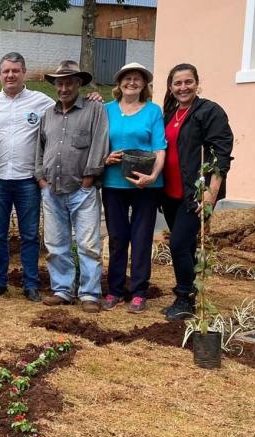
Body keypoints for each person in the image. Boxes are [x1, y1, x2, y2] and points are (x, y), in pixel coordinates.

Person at [0, 52, 55, 303]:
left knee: (29, 235)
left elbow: (67, 113)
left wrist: (94, 100)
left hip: (27, 179)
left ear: (24, 73)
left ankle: (31, 284)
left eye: (15, 71)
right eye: (6, 71)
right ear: (0, 74)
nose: (10, 75)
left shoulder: (42, 102)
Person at [161, 64, 233, 321]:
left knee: (179, 244)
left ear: (196, 83)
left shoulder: (209, 111)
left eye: (188, 82)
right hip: (169, 192)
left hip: (196, 193)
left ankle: (184, 299)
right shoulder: (169, 113)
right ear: (170, 87)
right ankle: (190, 290)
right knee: (186, 245)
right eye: (177, 83)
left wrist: (210, 195)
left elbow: (220, 155)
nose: (183, 87)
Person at [36, 61, 109, 313]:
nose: (64, 87)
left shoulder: (94, 109)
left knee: (89, 244)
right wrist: (40, 178)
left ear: (79, 84)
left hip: (83, 190)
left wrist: (89, 178)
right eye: (60, 83)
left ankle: (90, 293)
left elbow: (100, 143)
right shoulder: (48, 114)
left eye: (69, 82)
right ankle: (62, 290)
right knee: (56, 244)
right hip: (51, 189)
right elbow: (40, 147)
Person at [100, 63, 166, 314]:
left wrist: (153, 176)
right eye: (127, 78)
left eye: (138, 79)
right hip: (114, 183)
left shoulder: (153, 111)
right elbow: (97, 143)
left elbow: (160, 147)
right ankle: (115, 290)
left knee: (140, 239)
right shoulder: (106, 110)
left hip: (146, 185)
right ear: (119, 83)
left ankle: (139, 292)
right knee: (117, 238)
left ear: (144, 84)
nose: (132, 82)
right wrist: (105, 158)